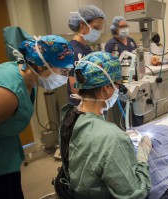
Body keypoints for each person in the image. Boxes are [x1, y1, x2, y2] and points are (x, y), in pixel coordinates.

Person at [0, 34, 74, 198]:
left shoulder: (28, 77)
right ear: (41, 65)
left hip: (3, 159)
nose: (66, 77)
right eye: (63, 71)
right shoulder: (7, 92)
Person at [60, 51, 152, 199]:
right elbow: (134, 193)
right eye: (118, 85)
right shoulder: (111, 138)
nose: (119, 90)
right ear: (106, 89)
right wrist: (142, 157)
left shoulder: (69, 116)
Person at [67, 5, 106, 105]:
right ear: (82, 25)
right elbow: (76, 91)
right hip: (83, 108)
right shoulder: (73, 51)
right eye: (96, 27)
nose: (97, 32)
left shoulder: (86, 48)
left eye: (100, 29)